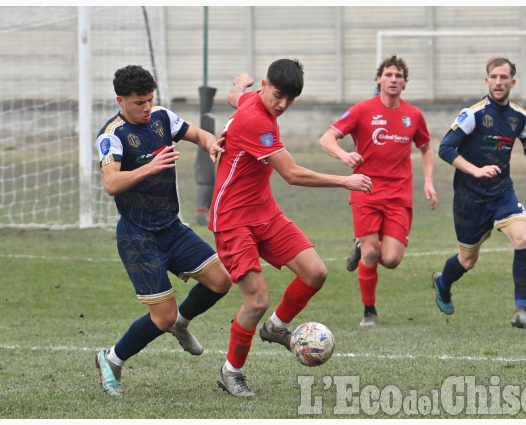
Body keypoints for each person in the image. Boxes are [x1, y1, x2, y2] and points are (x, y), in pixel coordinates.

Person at [209, 59, 372, 397]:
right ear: (266, 85)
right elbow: (293, 174)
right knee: (256, 300)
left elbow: (233, 97)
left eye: (290, 100)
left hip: (264, 212)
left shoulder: (253, 100)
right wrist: (345, 180)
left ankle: (276, 328)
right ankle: (231, 372)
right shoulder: (257, 120)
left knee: (315, 273)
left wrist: (240, 84)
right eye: (278, 96)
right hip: (233, 219)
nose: (282, 105)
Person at [94, 65, 232, 396]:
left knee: (221, 281)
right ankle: (111, 358)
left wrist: (210, 144)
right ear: (121, 100)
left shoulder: (162, 118)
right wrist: (150, 166)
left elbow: (199, 134)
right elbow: (111, 182)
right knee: (162, 316)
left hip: (171, 227)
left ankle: (181, 325)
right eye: (139, 102)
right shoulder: (111, 135)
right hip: (138, 236)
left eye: (150, 100)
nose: (146, 107)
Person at [433, 57, 526, 329]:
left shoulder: (520, 117)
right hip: (470, 199)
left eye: (504, 78)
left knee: (523, 238)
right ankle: (443, 283)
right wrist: (475, 170)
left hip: (502, 193)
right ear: (487, 81)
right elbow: (445, 148)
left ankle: (520, 310)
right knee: (467, 260)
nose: (498, 82)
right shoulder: (473, 114)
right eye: (493, 77)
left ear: (512, 82)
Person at [319, 55, 437, 326]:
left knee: (392, 259)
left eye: (398, 76)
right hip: (365, 190)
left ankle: (362, 247)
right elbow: (326, 138)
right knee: (372, 252)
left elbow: (426, 148)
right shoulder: (362, 110)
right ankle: (369, 311)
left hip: (399, 196)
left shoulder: (414, 115)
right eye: (388, 74)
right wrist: (343, 155)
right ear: (379, 79)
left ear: (405, 83)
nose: (393, 79)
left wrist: (428, 181)